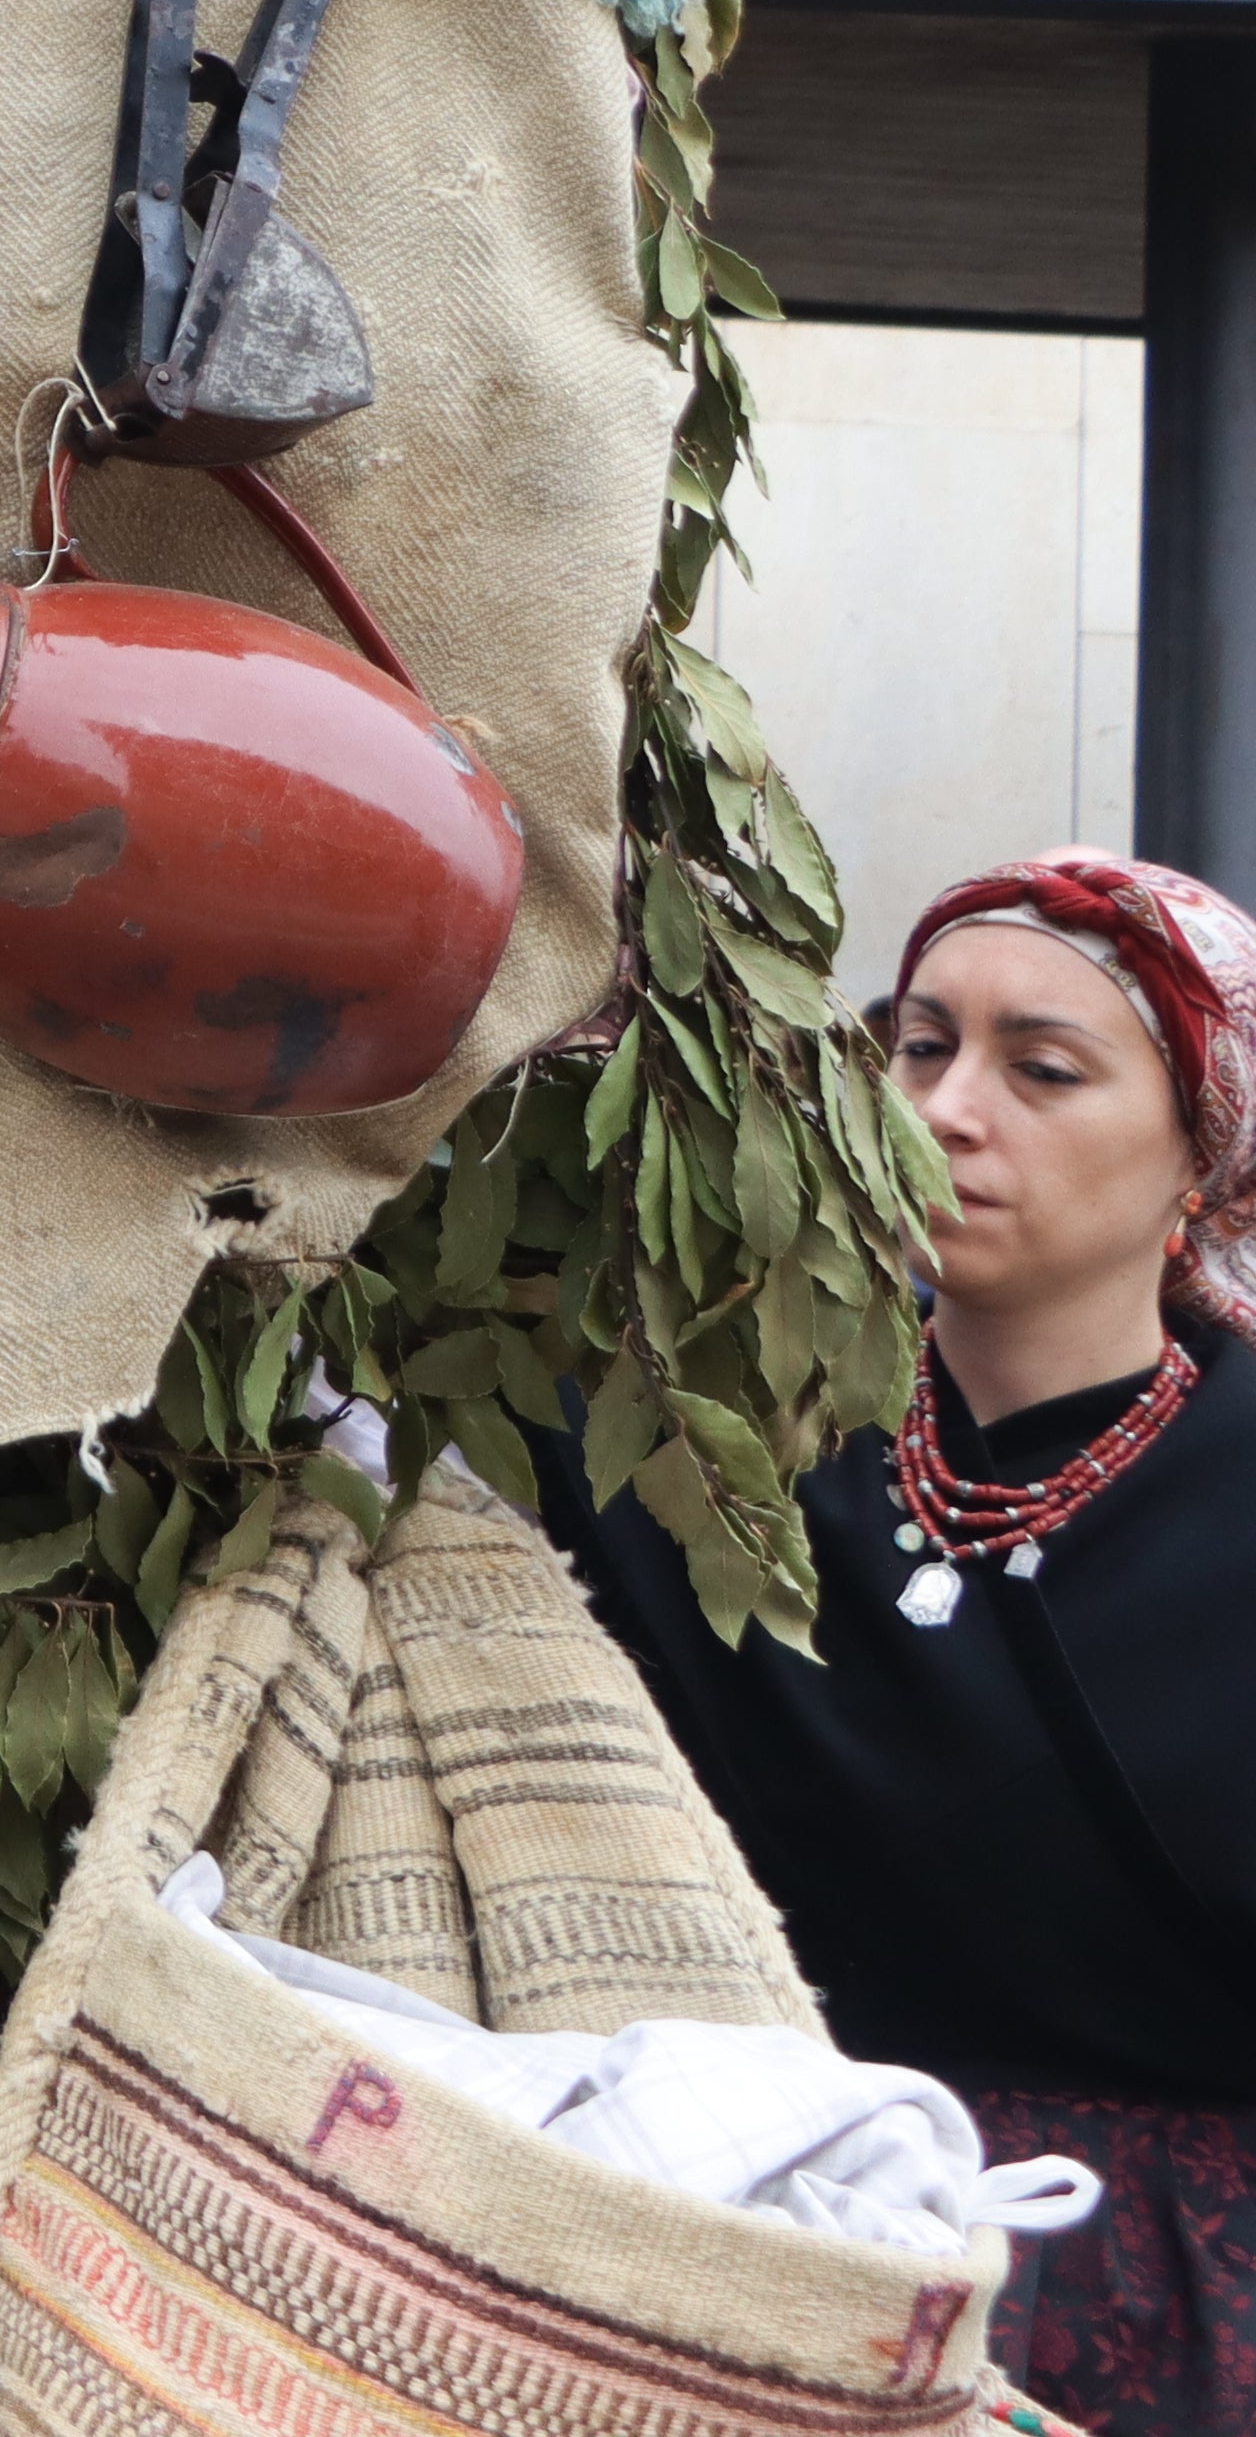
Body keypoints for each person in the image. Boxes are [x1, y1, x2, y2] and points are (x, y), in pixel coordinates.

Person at [543, 848, 1256, 2426]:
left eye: (1044, 1069)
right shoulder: (718, 1439)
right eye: (920, 1047)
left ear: (1202, 1161)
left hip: (1188, 2307)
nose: (943, 1111)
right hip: (765, 2253)